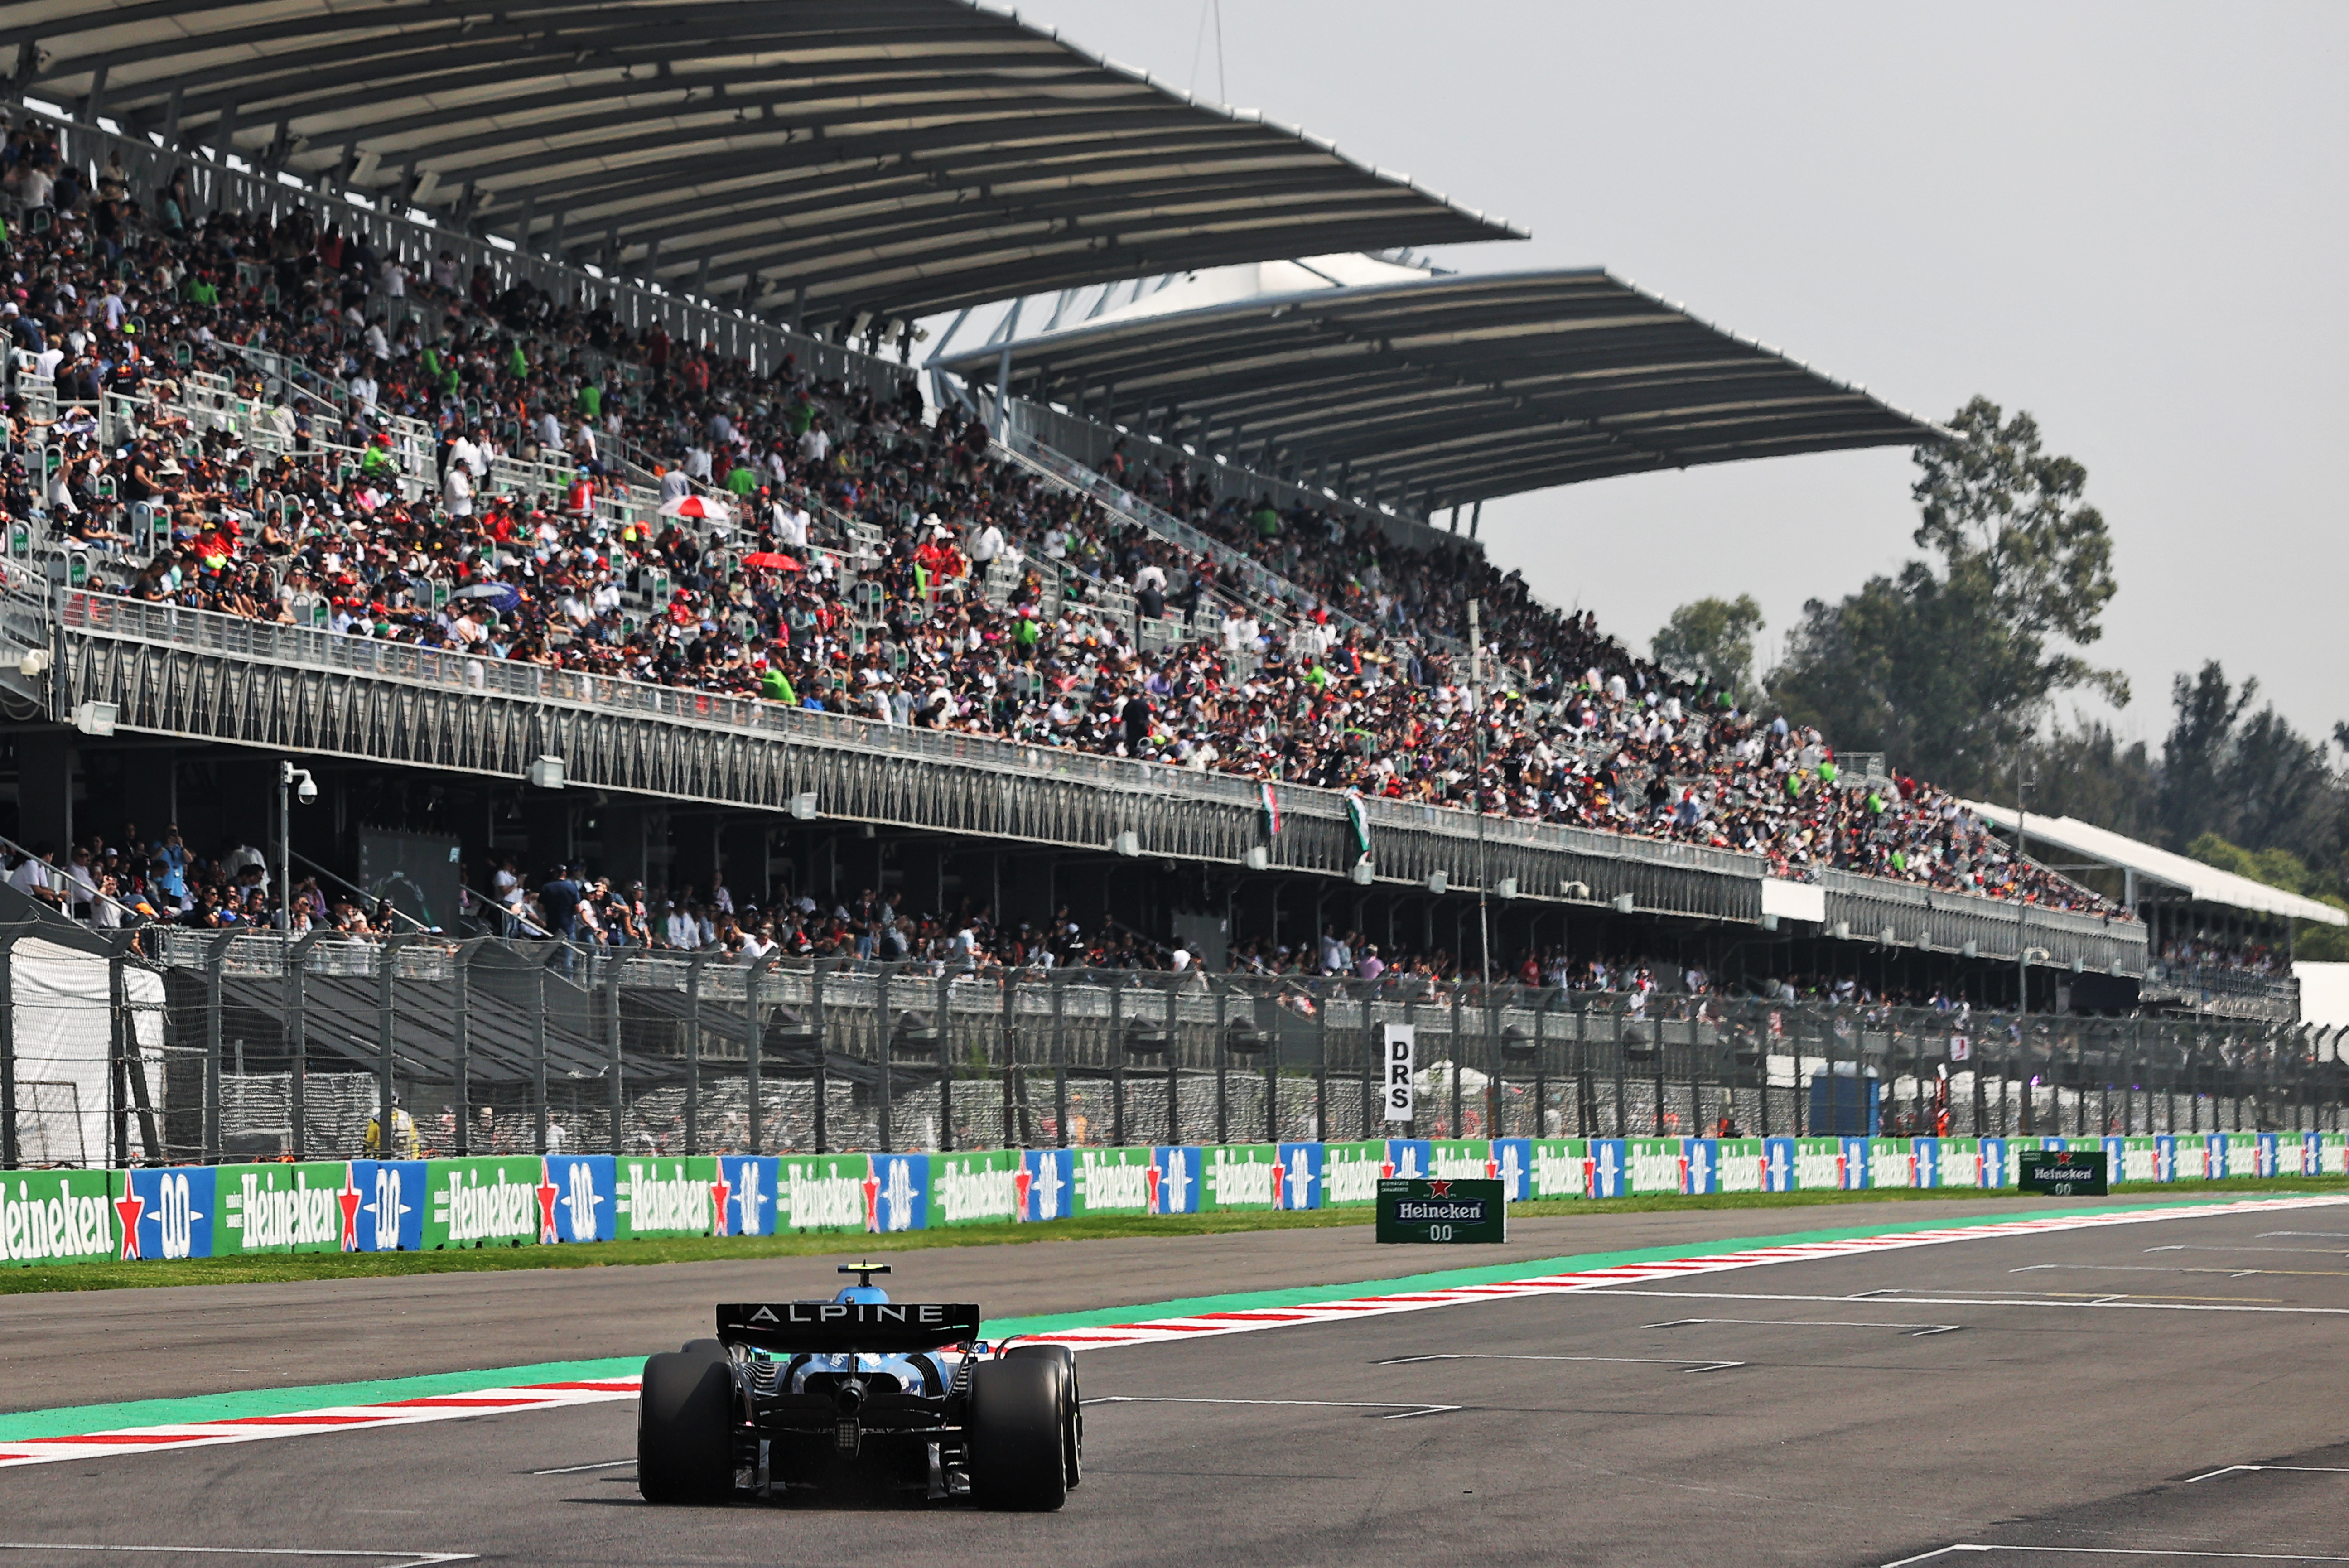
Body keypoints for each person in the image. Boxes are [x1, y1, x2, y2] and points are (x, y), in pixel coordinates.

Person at [363, 1095, 420, 1160]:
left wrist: (368, 1156)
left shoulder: (376, 1120)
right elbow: (413, 1140)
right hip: (404, 1160)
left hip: (382, 1159)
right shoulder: (407, 1117)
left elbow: (370, 1142)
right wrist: (415, 1157)